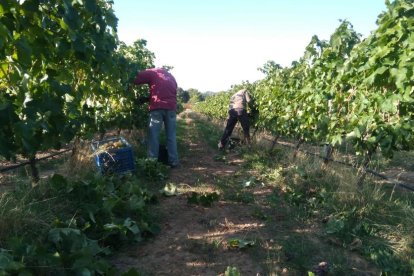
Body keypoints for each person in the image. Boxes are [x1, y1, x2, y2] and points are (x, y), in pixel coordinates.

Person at [133, 67, 179, 167]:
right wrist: (147, 99)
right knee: (171, 136)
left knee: (154, 136)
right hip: (171, 108)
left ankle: (151, 162)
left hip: (157, 108)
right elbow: (166, 93)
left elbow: (134, 78)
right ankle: (174, 161)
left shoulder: (152, 72)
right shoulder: (171, 77)